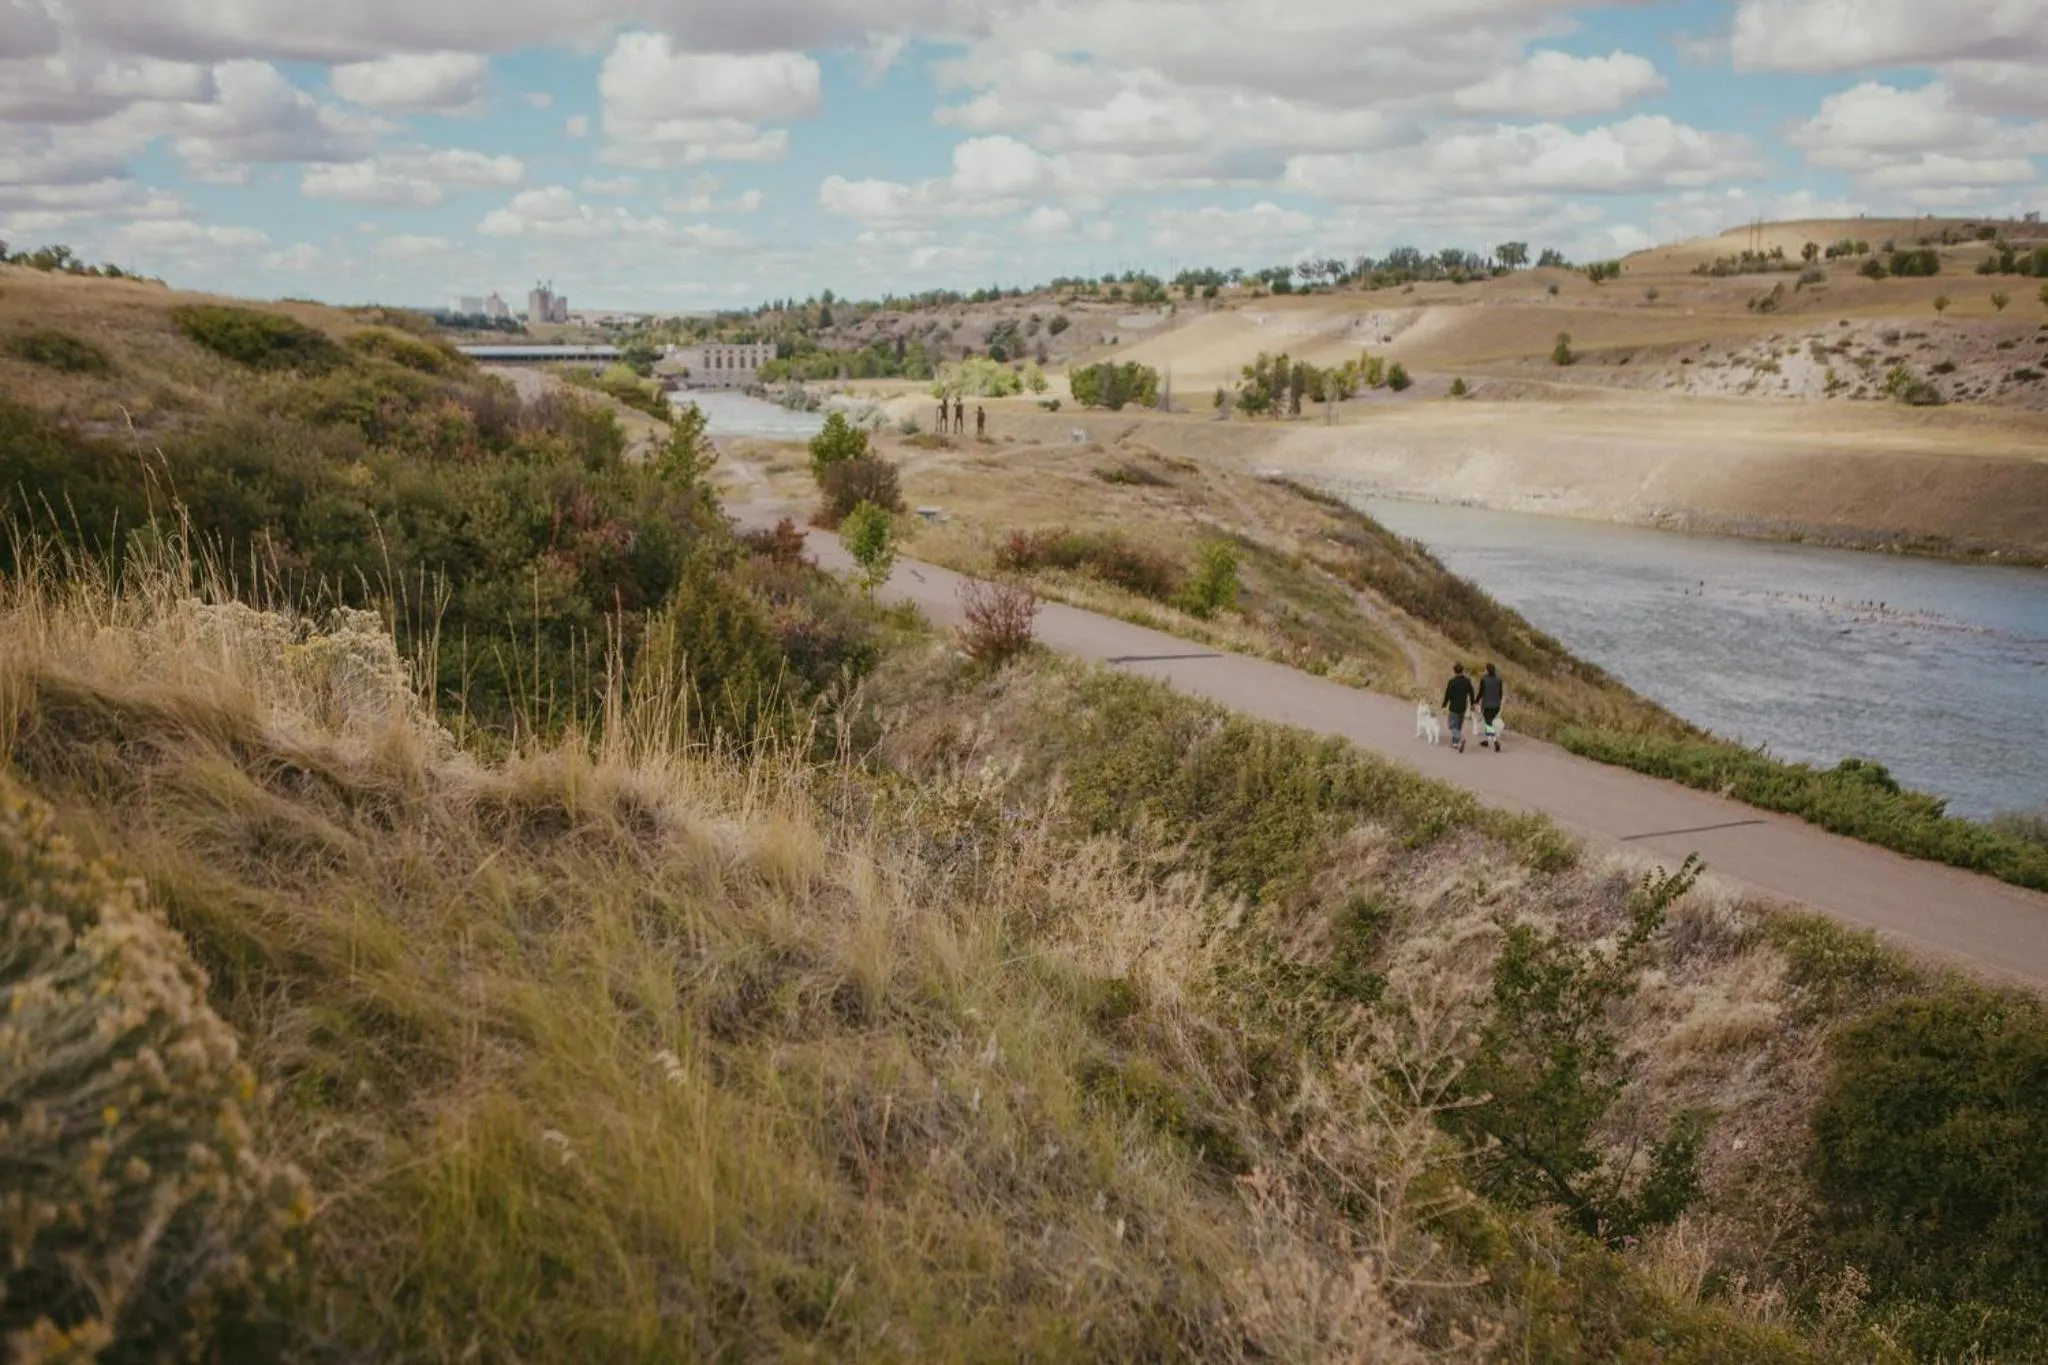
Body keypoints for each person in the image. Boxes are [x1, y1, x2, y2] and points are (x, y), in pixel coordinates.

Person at [1443, 662, 1476, 753]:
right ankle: (1455, 743)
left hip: (1454, 706)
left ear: (1454, 671)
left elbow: (1448, 694)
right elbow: (1471, 693)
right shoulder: (1467, 681)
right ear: (1462, 670)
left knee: (1452, 725)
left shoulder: (1452, 681)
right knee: (1458, 726)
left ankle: (1460, 739)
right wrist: (1473, 704)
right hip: (1463, 706)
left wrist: (1444, 705)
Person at [1478, 662, 1504, 751]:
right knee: (1489, 722)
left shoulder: (1483, 679)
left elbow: (1480, 693)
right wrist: (1498, 702)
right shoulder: (1499, 679)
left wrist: (1475, 701)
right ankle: (1487, 741)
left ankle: (1495, 740)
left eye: (1485, 669)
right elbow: (1500, 693)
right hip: (1496, 705)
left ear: (1487, 670)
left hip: (1487, 705)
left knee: (1488, 723)